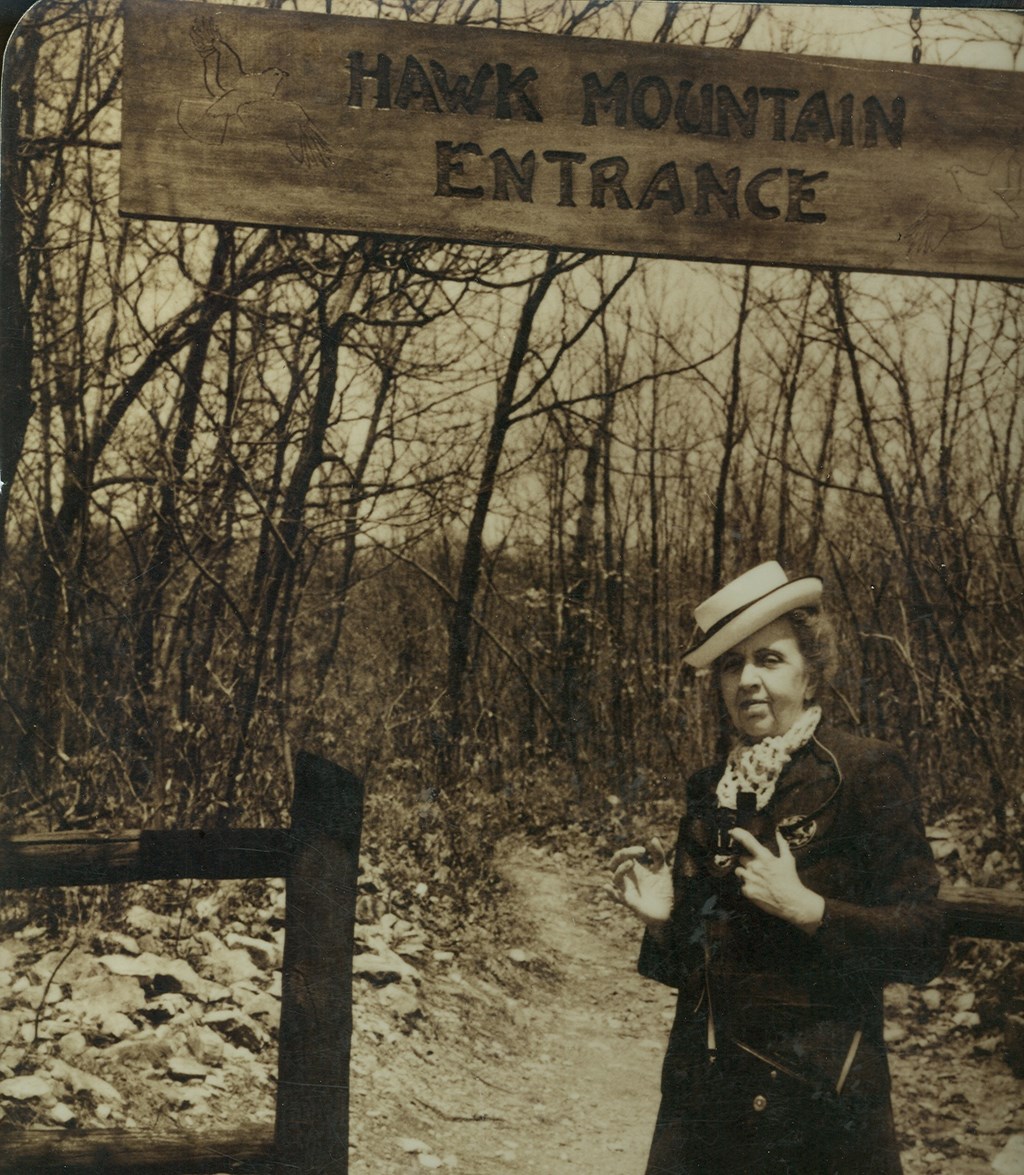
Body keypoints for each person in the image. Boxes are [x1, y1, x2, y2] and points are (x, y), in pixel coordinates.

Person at [609, 561, 947, 1175]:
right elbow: (698, 969)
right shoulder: (709, 787)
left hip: (818, 1104)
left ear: (812, 674)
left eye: (770, 659)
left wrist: (811, 910)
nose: (748, 681)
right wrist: (663, 923)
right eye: (732, 665)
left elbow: (924, 944)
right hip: (704, 1107)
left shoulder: (866, 772)